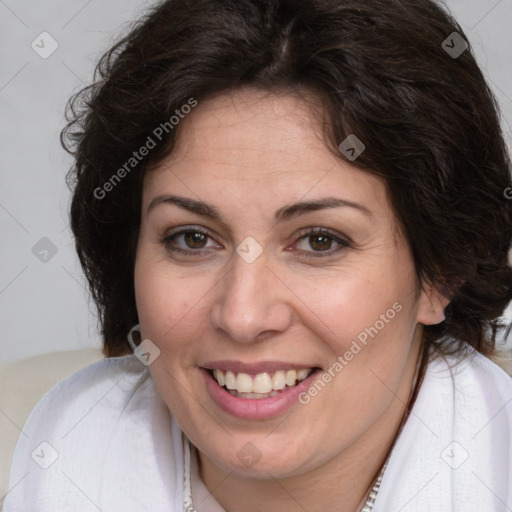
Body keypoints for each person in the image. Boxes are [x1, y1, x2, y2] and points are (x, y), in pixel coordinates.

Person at [4, 0, 512, 510]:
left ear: (441, 272)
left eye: (319, 240)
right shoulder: (45, 461)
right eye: (192, 238)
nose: (243, 316)